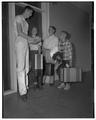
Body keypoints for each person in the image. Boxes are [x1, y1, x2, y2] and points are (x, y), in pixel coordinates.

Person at [14, 6, 41, 101]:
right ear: (27, 10)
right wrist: (31, 38)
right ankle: (22, 92)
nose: (31, 15)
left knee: (26, 68)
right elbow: (20, 33)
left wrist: (35, 41)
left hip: (26, 45)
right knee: (20, 67)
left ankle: (25, 87)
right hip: (20, 44)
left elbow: (27, 39)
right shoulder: (18, 18)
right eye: (30, 13)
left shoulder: (26, 23)